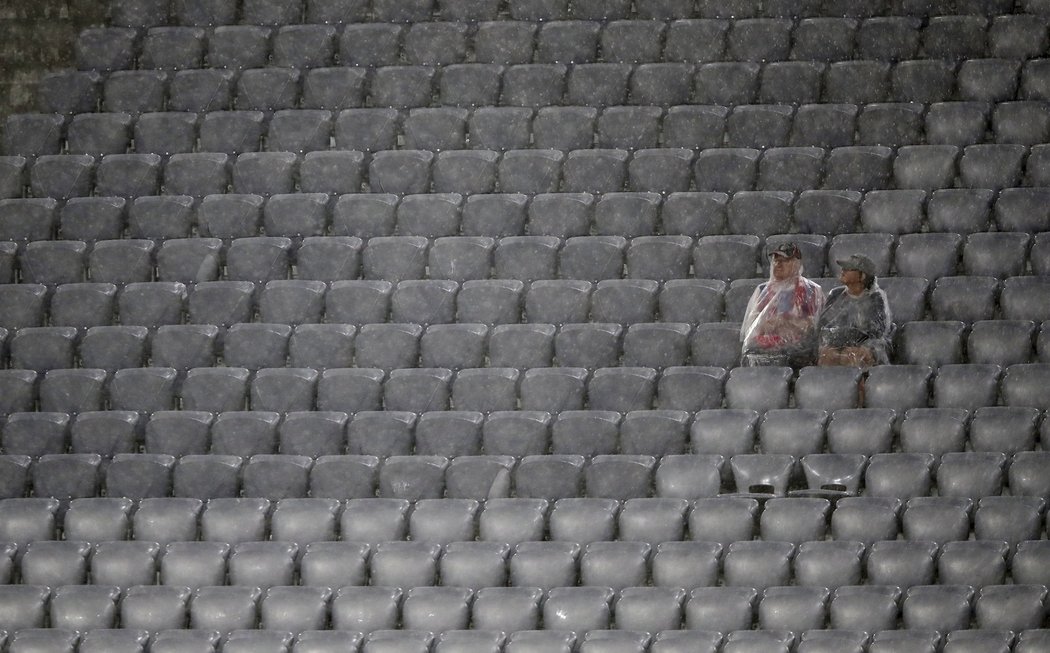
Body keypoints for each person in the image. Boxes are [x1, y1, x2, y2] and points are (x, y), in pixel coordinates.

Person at [740, 242, 825, 368]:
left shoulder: (811, 290)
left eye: (784, 260)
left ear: (796, 264)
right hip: (766, 347)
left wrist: (784, 321)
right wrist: (779, 323)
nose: (778, 264)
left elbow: (813, 327)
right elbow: (751, 328)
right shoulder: (762, 290)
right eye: (775, 260)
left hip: (798, 350)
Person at [816, 253, 893, 368]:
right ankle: (830, 384)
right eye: (843, 268)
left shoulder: (876, 297)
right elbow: (823, 324)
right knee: (827, 354)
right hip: (837, 342)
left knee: (853, 355)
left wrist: (853, 341)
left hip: (866, 345)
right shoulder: (836, 294)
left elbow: (876, 332)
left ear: (862, 276)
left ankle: (859, 383)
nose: (843, 271)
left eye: (849, 269)